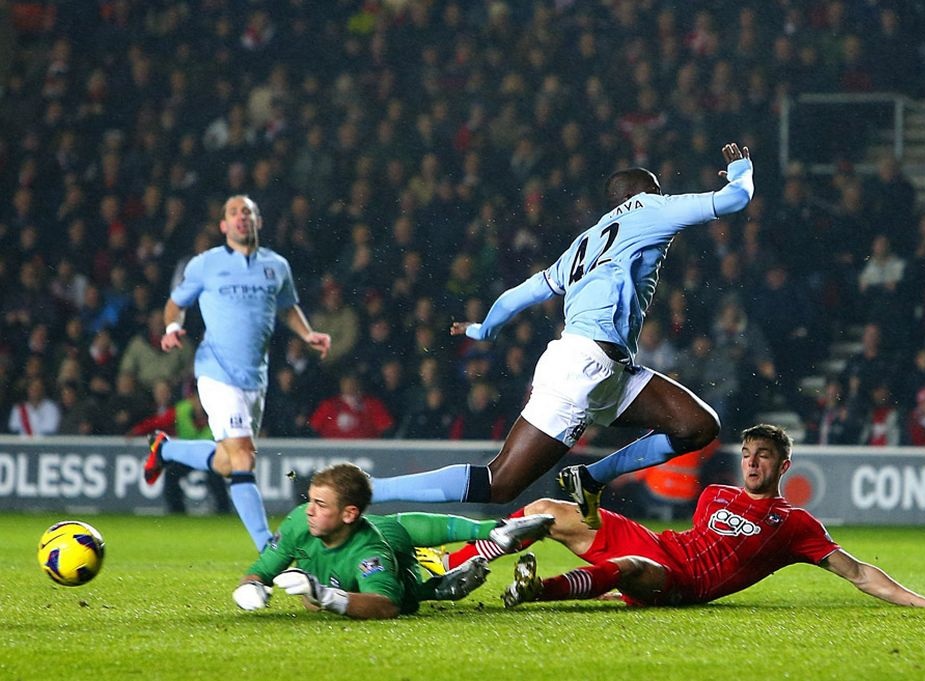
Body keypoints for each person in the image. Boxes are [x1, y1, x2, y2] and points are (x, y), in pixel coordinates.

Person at [371, 143, 755, 528]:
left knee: (698, 426)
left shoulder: (584, 244)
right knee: (501, 482)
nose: (662, 196)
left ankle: (590, 477)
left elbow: (520, 293)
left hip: (611, 370)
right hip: (582, 366)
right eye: (656, 189)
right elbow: (736, 199)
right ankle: (373, 490)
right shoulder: (650, 209)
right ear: (637, 195)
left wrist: (483, 328)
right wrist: (741, 170)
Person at [499, 424, 925, 610]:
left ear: (783, 466)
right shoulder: (715, 495)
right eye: (746, 454)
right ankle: (462, 560)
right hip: (658, 543)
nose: (752, 462)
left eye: (763, 456)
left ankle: (537, 590)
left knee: (629, 570)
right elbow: (700, 539)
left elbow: (860, 573)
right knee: (544, 511)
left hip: (679, 582)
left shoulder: (794, 524)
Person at [142, 195, 331, 551]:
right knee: (243, 455)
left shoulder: (277, 266)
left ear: (258, 222)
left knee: (229, 461)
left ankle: (164, 450)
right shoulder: (205, 265)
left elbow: (288, 307)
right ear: (224, 226)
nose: (241, 217)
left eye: (248, 212)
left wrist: (308, 334)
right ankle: (267, 547)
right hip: (216, 371)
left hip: (254, 378)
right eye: (233, 213)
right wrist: (170, 328)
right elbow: (174, 304)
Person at [232, 463, 554, 619]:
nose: (309, 511)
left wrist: (325, 595)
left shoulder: (371, 553)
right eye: (310, 501)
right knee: (397, 524)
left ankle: (437, 585)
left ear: (348, 514)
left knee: (404, 585)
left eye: (321, 505)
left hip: (394, 558)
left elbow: (386, 606)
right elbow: (261, 569)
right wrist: (251, 586)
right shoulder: (299, 522)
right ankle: (491, 531)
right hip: (381, 528)